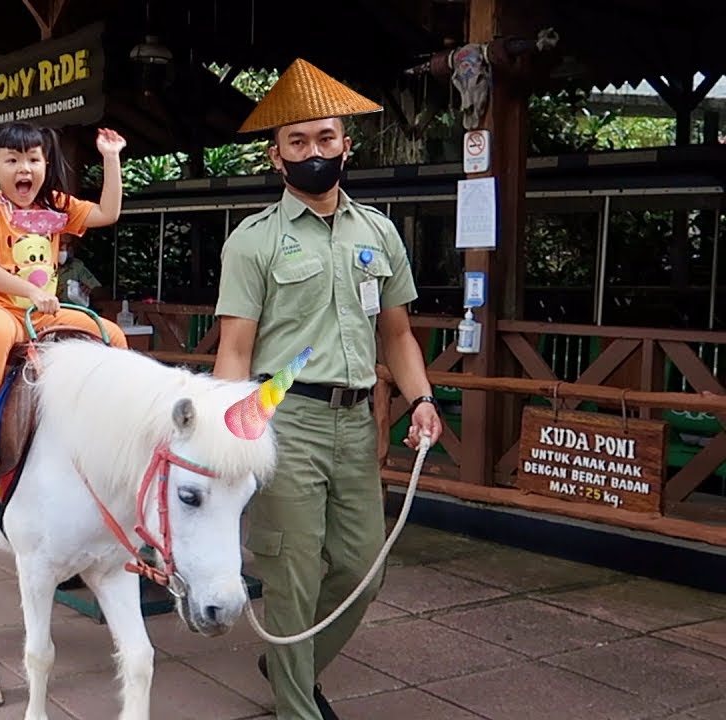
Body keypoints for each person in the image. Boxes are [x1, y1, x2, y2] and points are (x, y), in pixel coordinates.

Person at [212, 59, 443, 720]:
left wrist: (422, 399)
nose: (314, 153)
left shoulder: (379, 232)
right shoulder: (254, 242)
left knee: (362, 571)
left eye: (325, 139)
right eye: (298, 143)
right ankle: (297, 706)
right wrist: (225, 440)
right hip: (284, 422)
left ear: (347, 144)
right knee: (291, 574)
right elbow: (234, 347)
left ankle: (289, 660)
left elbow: (397, 336)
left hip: (355, 423)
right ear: (276, 157)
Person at [0, 121, 130, 470]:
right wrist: (33, 291)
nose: (25, 168)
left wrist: (111, 159)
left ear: (45, 164)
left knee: (111, 334)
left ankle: (116, 419)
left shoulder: (55, 206)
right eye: (13, 160)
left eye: (34, 160)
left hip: (41, 315)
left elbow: (107, 213)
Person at [55, 238, 104, 308]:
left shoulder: (76, 266)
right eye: (61, 244)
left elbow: (99, 291)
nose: (65, 248)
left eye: (69, 245)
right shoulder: (43, 264)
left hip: (72, 312)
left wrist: (89, 291)